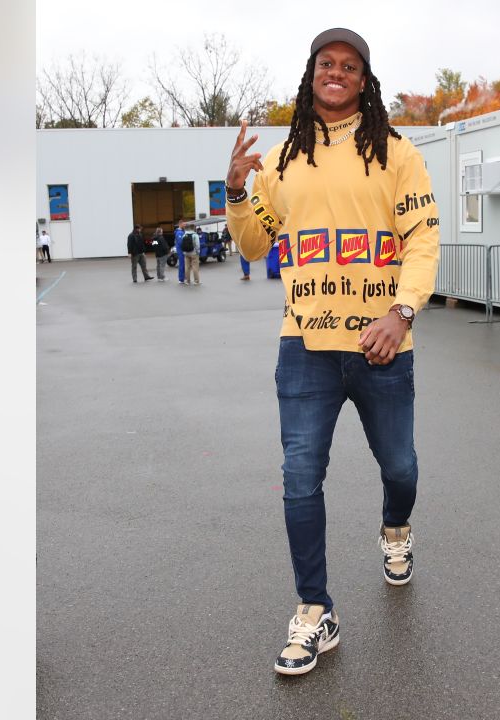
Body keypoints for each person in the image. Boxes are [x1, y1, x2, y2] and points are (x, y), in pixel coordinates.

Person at [224, 27, 439, 676]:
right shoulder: (284, 159)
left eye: (350, 66)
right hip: (306, 346)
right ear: (311, 73)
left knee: (399, 468)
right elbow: (254, 245)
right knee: (298, 478)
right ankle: (315, 610)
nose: (337, 72)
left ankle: (395, 530)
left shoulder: (397, 153)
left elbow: (423, 240)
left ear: (365, 81)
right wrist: (236, 192)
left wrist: (400, 313)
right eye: (327, 63)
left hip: (380, 346)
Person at [173, 219, 188, 284]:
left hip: (182, 251)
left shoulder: (182, 231)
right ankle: (181, 279)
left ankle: (184, 277)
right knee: (182, 264)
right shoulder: (179, 232)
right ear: (180, 224)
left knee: (184, 264)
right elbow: (180, 242)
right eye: (184, 224)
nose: (185, 225)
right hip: (181, 251)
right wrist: (185, 249)